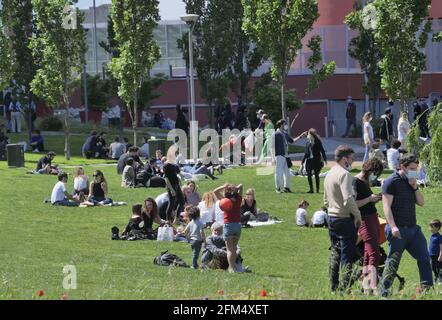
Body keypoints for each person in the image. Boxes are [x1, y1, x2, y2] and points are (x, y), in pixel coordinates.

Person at [380, 154, 433, 296]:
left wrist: (415, 187)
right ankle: (384, 293)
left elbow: (421, 203)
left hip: (413, 230)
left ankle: (428, 290)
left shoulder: (411, 181)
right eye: (411, 168)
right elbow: (386, 207)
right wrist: (393, 226)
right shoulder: (391, 182)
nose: (414, 171)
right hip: (398, 230)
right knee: (393, 262)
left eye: (416, 169)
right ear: (402, 166)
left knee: (424, 258)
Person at [324, 145, 362, 293]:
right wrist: (357, 215)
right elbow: (348, 199)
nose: (352, 161)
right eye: (352, 159)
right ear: (345, 158)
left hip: (331, 217)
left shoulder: (329, 173)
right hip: (344, 218)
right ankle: (344, 287)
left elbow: (326, 200)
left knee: (334, 252)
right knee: (347, 254)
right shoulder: (344, 174)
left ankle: (333, 286)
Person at [354, 158, 384, 295]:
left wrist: (375, 199)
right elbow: (353, 204)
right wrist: (369, 199)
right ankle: (372, 286)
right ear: (369, 170)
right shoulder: (355, 181)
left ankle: (365, 285)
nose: (375, 176)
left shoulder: (365, 182)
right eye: (374, 173)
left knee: (368, 253)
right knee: (374, 253)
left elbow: (366, 202)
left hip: (372, 217)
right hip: (365, 220)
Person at [271, 119, 306, 193]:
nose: (286, 125)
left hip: (286, 156)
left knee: (287, 173)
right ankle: (277, 188)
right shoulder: (275, 134)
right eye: (284, 124)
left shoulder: (285, 134)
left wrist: (300, 136)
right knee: (278, 172)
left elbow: (292, 141)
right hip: (279, 155)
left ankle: (287, 188)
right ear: (281, 125)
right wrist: (273, 158)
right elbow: (272, 147)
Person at [214, 183, 243, 273]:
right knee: (234, 248)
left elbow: (215, 191)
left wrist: (224, 186)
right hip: (238, 226)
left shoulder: (224, 200)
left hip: (228, 225)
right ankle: (234, 266)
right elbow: (241, 185)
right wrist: (235, 188)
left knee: (229, 249)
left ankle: (231, 268)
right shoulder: (238, 199)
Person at [303, 128, 327, 193]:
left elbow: (322, 151)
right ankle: (311, 189)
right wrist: (303, 161)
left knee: (316, 175)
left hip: (316, 161)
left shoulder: (318, 142)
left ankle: (317, 189)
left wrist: (325, 159)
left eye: (308, 134)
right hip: (309, 161)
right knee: (309, 175)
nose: (307, 135)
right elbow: (306, 153)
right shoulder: (307, 143)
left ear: (311, 135)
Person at [164, 157, 185, 224]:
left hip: (176, 185)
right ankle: (168, 220)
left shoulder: (174, 165)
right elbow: (166, 179)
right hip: (171, 186)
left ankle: (176, 218)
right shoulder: (166, 165)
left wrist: (180, 179)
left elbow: (177, 174)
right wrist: (171, 189)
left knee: (182, 201)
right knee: (171, 203)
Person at [428, 219, 442, 285]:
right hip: (431, 255)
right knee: (433, 268)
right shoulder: (431, 236)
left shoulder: (439, 237)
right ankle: (436, 279)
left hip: (437, 255)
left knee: (438, 268)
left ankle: (440, 279)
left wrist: (440, 255)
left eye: (431, 227)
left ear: (437, 228)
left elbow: (441, 247)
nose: (430, 229)